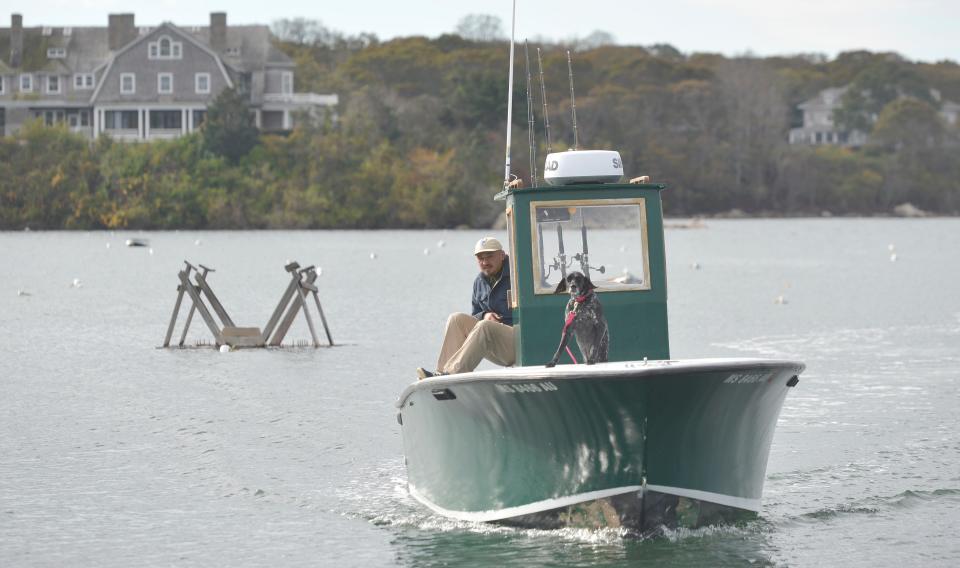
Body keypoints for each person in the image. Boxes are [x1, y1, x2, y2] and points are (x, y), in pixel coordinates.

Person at [416, 236, 515, 378]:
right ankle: (441, 372)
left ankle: (452, 374)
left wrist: (486, 321)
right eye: (480, 258)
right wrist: (484, 315)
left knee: (484, 326)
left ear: (502, 255)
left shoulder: (517, 274)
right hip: (494, 344)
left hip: (519, 341)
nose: (485, 262)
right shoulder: (479, 282)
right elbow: (475, 315)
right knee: (456, 319)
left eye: (490, 256)